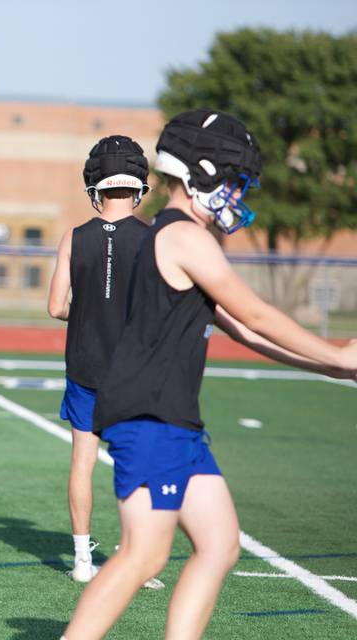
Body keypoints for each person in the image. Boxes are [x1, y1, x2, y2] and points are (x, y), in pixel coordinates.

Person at [60, 110, 357, 640]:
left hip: (176, 419)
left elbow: (246, 333)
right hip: (149, 415)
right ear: (199, 174)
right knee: (144, 556)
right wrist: (338, 355)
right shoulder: (183, 237)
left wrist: (326, 367)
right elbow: (260, 314)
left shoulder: (183, 239)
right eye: (234, 182)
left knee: (220, 545)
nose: (238, 196)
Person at [47, 135, 153, 583]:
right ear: (137, 184)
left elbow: (56, 307)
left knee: (82, 463)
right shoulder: (154, 239)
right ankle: (137, 560)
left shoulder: (75, 237)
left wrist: (88, 309)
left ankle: (82, 561)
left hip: (86, 366)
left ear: (96, 184)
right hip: (135, 372)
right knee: (137, 466)